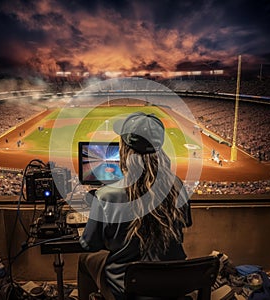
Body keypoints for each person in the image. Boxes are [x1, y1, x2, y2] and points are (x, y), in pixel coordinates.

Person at [77, 112, 192, 300]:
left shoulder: (106, 196)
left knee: (85, 261)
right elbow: (185, 223)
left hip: (128, 290)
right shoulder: (178, 186)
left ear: (124, 150)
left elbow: (90, 245)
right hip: (172, 285)